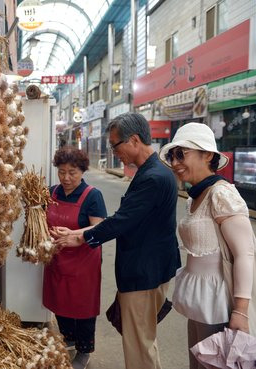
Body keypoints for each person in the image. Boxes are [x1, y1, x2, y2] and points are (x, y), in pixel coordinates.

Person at [62, 112, 181, 369]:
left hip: (144, 273)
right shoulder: (153, 171)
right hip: (149, 270)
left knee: (139, 346)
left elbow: (122, 220)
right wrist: (80, 234)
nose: (114, 152)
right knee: (143, 340)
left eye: (115, 145)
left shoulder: (153, 178)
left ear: (134, 140)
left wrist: (82, 237)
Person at [158, 122, 256, 369]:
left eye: (181, 154)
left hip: (219, 304)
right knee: (197, 363)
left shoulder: (221, 194)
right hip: (199, 302)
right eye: (173, 155)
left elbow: (244, 253)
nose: (175, 163)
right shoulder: (195, 196)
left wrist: (240, 311)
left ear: (207, 155)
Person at [43, 146, 107, 369]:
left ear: (82, 171)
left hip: (83, 262)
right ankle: (68, 338)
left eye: (72, 172)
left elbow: (98, 228)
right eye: (61, 171)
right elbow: (41, 222)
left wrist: (73, 235)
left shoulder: (92, 196)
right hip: (58, 259)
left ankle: (84, 350)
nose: (66, 178)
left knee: (83, 306)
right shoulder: (51, 193)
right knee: (60, 301)